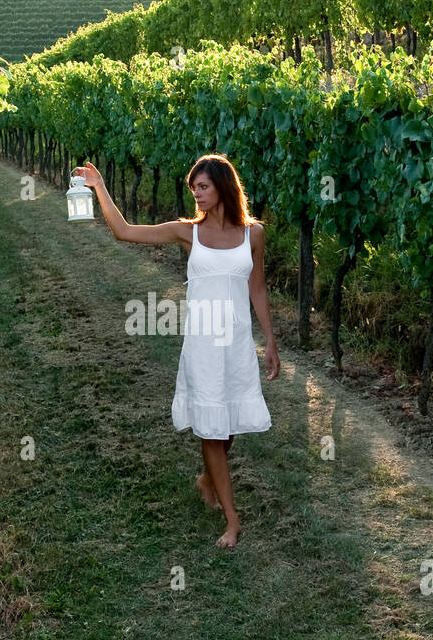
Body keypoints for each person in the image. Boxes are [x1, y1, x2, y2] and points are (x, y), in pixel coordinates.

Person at [72, 154, 280, 548]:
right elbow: (124, 231)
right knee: (211, 429)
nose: (197, 195)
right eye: (194, 189)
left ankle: (206, 478)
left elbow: (257, 288)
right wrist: (99, 187)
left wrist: (269, 340)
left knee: (230, 423)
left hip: (235, 342)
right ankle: (233, 521)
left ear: (223, 186)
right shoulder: (188, 232)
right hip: (202, 342)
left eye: (203, 187)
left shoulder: (253, 234)